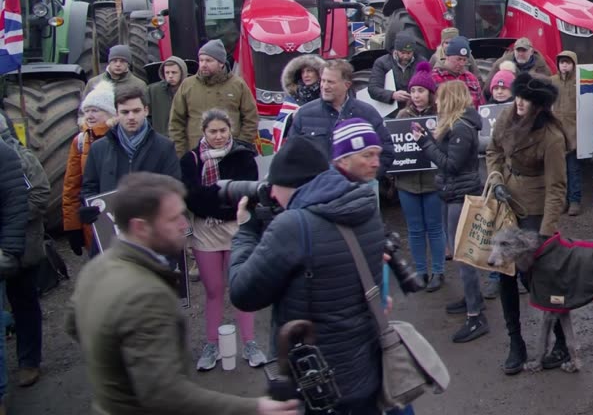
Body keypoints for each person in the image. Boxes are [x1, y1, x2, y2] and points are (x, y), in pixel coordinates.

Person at [69, 172, 300, 415]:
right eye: (174, 218)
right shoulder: (146, 294)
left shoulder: (95, 269)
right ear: (141, 227)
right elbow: (166, 396)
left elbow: (74, 326)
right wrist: (255, 408)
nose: (184, 225)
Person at [229, 137, 384, 415]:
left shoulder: (294, 226)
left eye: (274, 187)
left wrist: (245, 231)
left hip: (318, 380)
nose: (272, 195)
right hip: (365, 369)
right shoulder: (367, 209)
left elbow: (243, 293)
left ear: (290, 184)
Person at [486, 72, 569, 375]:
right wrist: (495, 178)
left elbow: (557, 187)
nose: (519, 102)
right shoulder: (508, 117)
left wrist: (545, 234)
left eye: (526, 99)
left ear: (539, 105)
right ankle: (515, 343)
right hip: (505, 203)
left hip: (534, 209)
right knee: (504, 274)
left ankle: (560, 341)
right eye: (518, 95)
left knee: (538, 279)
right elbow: (493, 150)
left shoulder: (551, 137)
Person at [178, 109, 266, 371]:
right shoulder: (190, 160)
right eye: (212, 131)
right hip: (205, 231)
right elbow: (192, 196)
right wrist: (222, 201)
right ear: (203, 132)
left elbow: (249, 192)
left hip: (237, 228)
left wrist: (217, 202)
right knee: (214, 290)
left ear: (230, 130)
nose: (218, 136)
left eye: (223, 131)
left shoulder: (245, 155)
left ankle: (250, 343)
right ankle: (212, 344)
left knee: (241, 288)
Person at [415, 81, 489, 343]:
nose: (436, 102)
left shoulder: (461, 128)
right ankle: (473, 299)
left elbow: (451, 165)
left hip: (460, 194)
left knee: (463, 256)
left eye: (440, 98)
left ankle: (475, 315)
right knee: (457, 251)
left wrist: (425, 142)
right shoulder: (457, 126)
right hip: (452, 194)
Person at [0, 120, 48, 392]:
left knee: (24, 302)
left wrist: (13, 219)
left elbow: (40, 195)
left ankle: (29, 360)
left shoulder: (21, 159)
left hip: (23, 245)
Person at [284, 60, 394, 177]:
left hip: (357, 191)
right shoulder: (304, 113)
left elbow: (387, 151)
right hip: (316, 190)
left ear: (346, 85)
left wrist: (367, 177)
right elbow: (291, 153)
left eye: (330, 82)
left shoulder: (367, 113)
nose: (325, 86)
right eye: (323, 81)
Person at [393, 64, 447, 291]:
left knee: (435, 227)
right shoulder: (402, 116)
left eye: (421, 91)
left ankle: (438, 271)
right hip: (407, 183)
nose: (416, 95)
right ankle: (420, 271)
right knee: (414, 229)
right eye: (413, 91)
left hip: (433, 182)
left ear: (430, 93)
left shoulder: (440, 117)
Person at [82, 84, 182, 199]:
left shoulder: (164, 147)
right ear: (117, 113)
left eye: (136, 111)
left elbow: (173, 189)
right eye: (125, 112)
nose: (131, 117)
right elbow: (89, 188)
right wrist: (93, 212)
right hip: (112, 215)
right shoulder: (99, 148)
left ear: (146, 111)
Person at [169, 40, 259, 157]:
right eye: (201, 60)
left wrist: (241, 145)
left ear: (221, 63)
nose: (203, 64)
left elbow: (251, 118)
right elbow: (176, 122)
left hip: (231, 155)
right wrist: (181, 153)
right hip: (197, 154)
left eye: (209, 60)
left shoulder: (238, 85)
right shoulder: (187, 85)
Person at [63, 82, 115, 257]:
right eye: (87, 110)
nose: (90, 115)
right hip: (91, 218)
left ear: (109, 112)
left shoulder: (120, 139)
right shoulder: (79, 141)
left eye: (96, 110)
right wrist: (72, 226)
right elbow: (72, 186)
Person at [548, 51, 583, 216]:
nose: (564, 65)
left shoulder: (580, 81)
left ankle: (575, 200)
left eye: (568, 62)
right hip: (556, 133)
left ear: (574, 64)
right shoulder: (552, 81)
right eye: (562, 62)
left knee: (573, 170)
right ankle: (562, 201)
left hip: (575, 132)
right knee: (558, 172)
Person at [367, 31, 426, 107]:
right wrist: (392, 95)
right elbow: (373, 89)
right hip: (391, 109)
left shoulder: (421, 62)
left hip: (415, 107)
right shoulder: (382, 63)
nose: (405, 56)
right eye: (402, 53)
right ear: (396, 50)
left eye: (409, 53)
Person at [486, 37, 552, 93]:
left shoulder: (543, 68)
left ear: (531, 52)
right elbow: (488, 89)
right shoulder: (500, 64)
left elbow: (550, 89)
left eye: (524, 50)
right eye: (518, 50)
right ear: (514, 51)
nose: (520, 54)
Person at [147, 56, 189, 133]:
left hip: (183, 138)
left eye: (174, 72)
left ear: (182, 73)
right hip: (161, 138)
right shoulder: (153, 90)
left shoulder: (189, 90)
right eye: (167, 72)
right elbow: (147, 116)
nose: (170, 76)